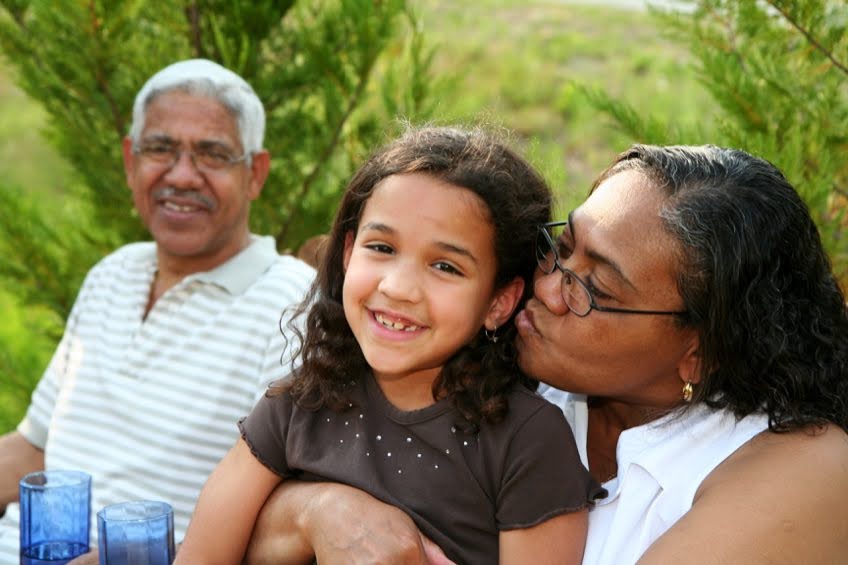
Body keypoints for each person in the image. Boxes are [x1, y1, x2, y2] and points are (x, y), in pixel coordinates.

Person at [242, 144, 848, 564]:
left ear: (701, 351)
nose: (546, 286)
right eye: (562, 247)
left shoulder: (803, 464)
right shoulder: (488, 369)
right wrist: (321, 511)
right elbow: (246, 524)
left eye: (594, 289)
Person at [176, 126, 604, 565]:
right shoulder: (298, 405)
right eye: (381, 247)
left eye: (445, 266)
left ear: (498, 302)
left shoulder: (527, 441)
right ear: (348, 253)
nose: (399, 288)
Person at [0, 58, 316, 561]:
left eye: (212, 154)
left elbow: (286, 515)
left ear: (255, 174)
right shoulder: (112, 273)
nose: (182, 176)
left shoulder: (292, 303)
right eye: (160, 149)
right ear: (130, 161)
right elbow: (35, 448)